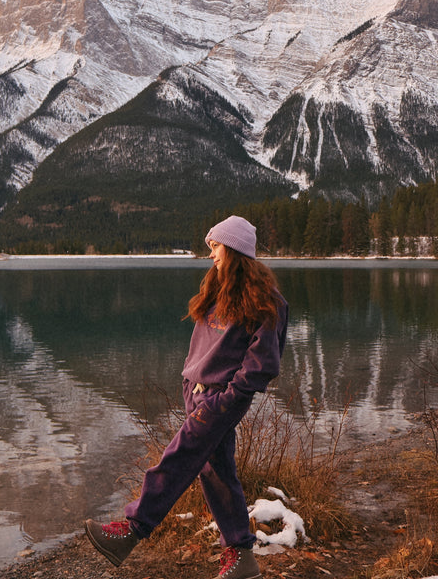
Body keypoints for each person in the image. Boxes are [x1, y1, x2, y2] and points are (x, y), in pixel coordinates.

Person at [84, 215, 288, 579]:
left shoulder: (266, 300)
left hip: (219, 399)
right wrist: (189, 378)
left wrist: (226, 398)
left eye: (216, 246)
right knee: (216, 472)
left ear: (235, 248)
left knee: (177, 458)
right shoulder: (217, 289)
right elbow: (202, 345)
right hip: (195, 391)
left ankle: (133, 529)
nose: (211, 254)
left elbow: (263, 365)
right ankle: (242, 556)